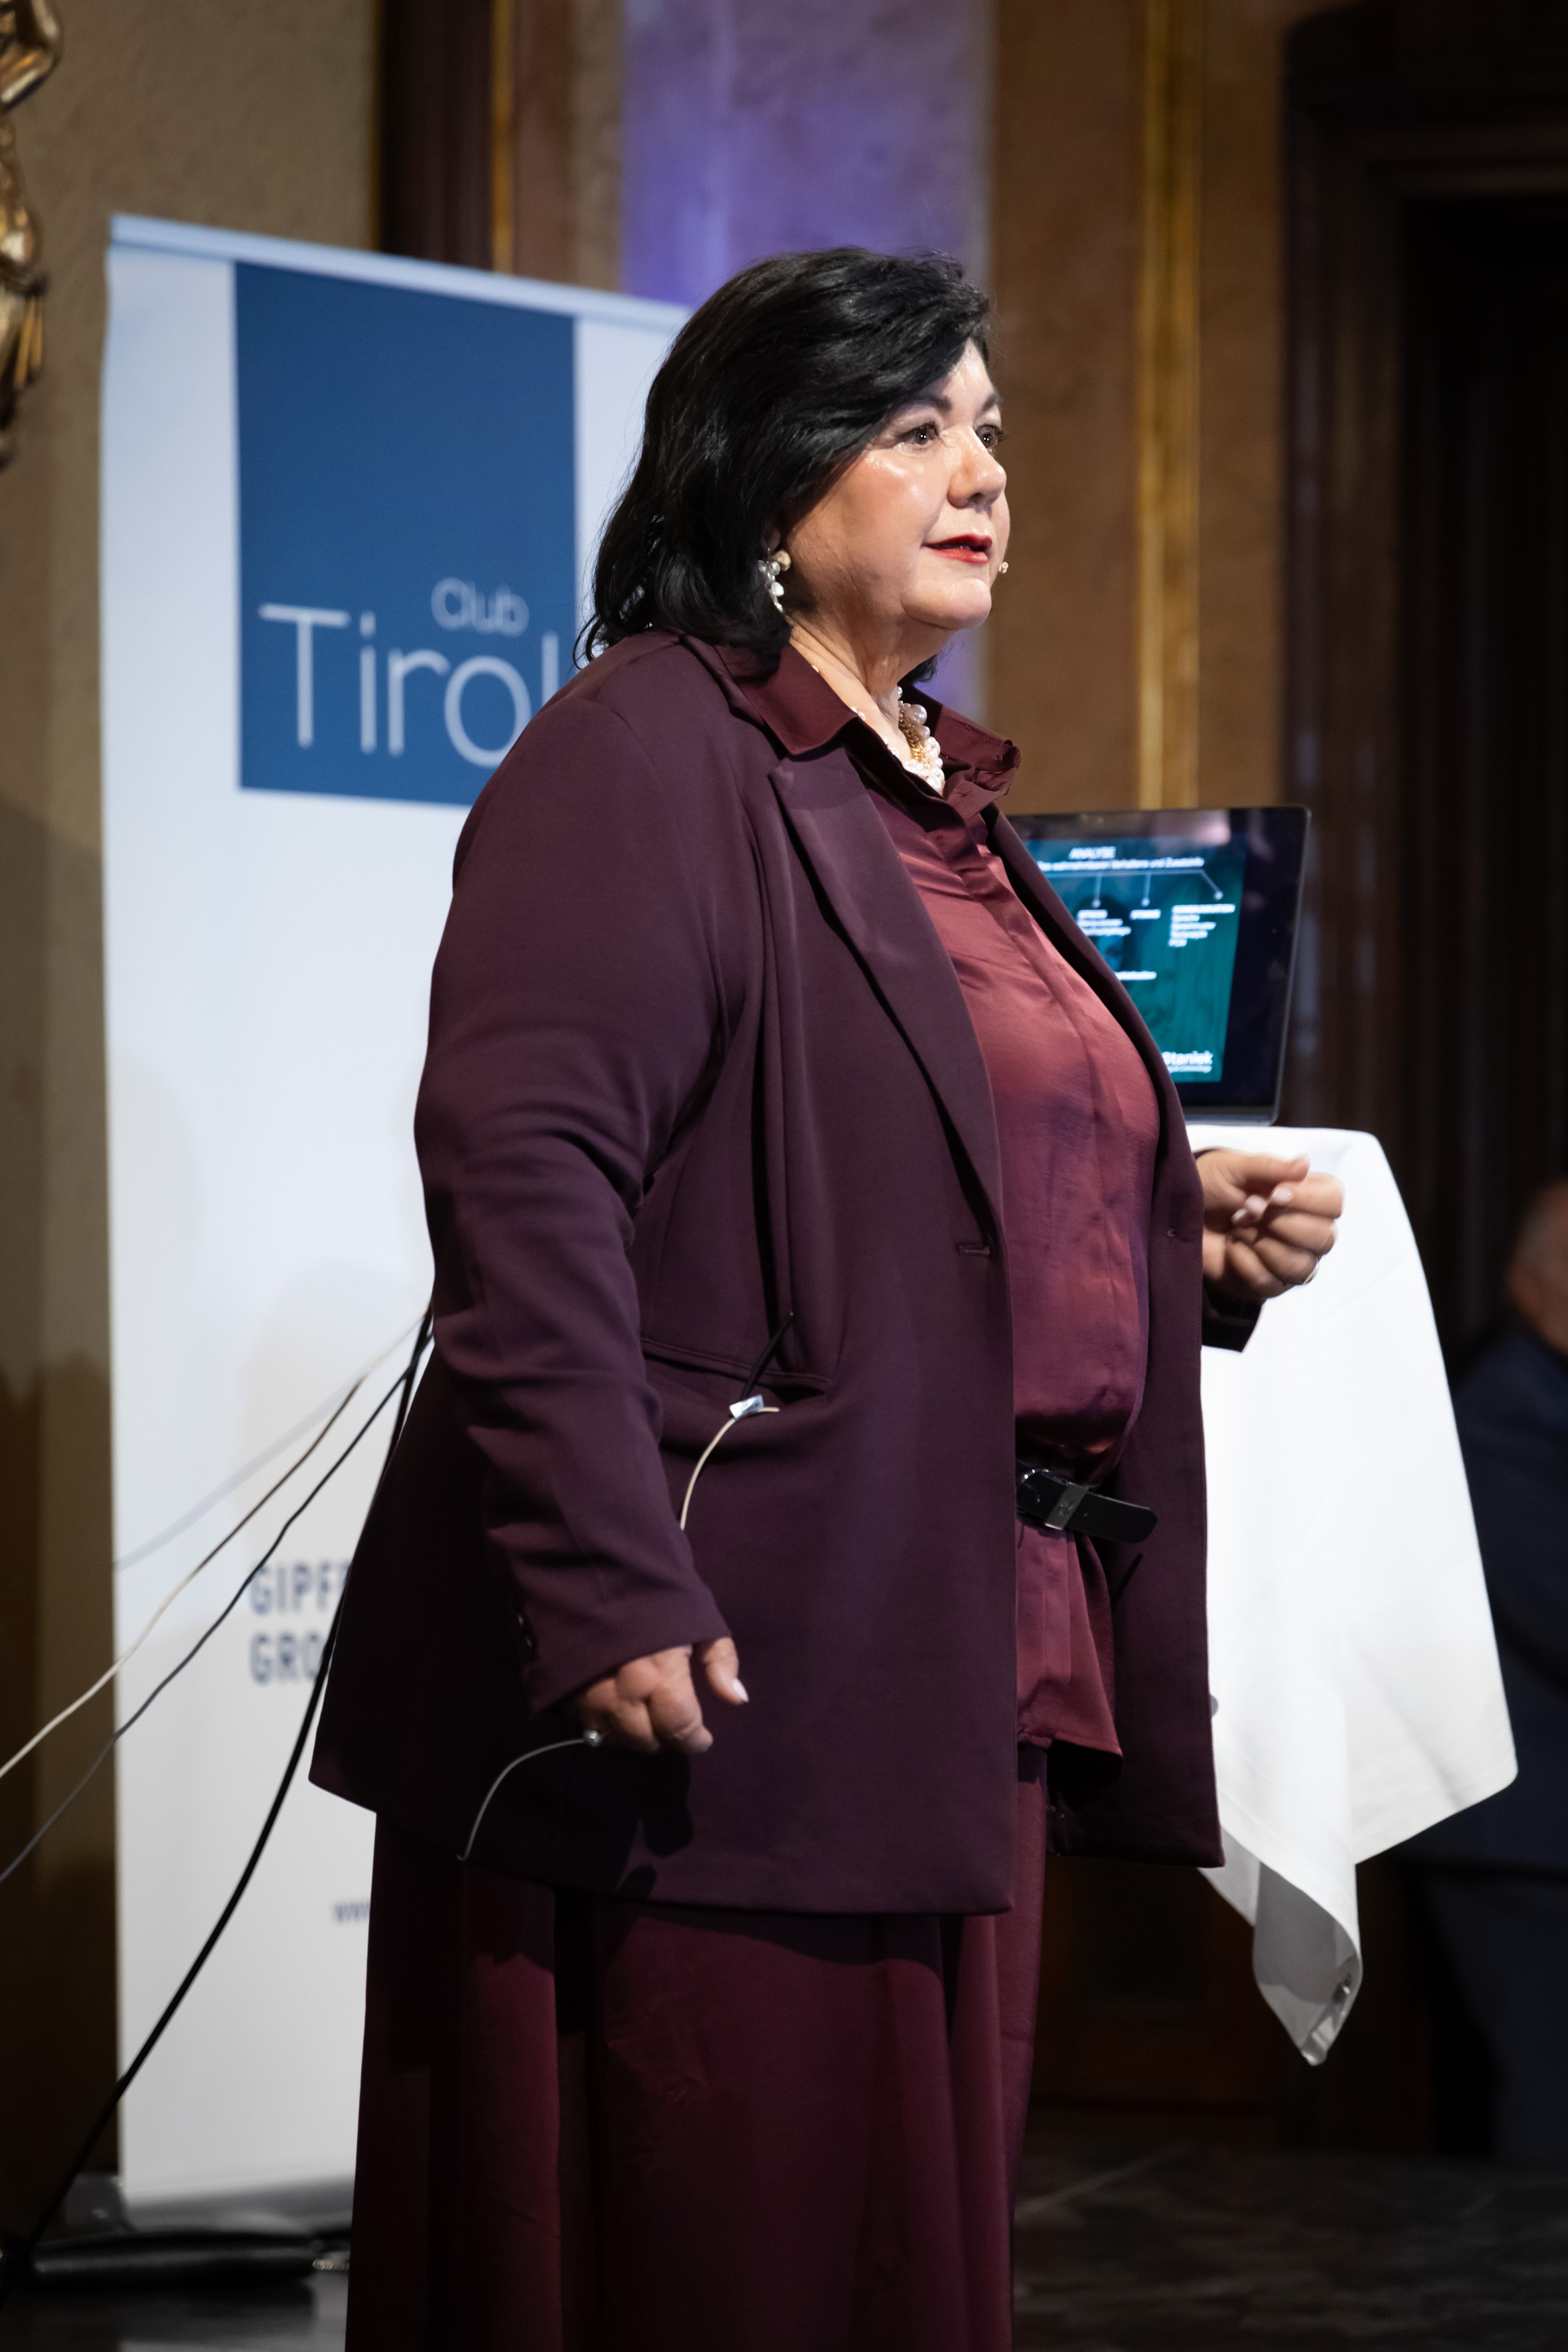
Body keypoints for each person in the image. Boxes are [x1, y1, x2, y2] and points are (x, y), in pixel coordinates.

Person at [311, 248, 1342, 2351]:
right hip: (730, 1669)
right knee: (737, 2254)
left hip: (951, 1652)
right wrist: (602, 1579)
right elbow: (528, 1179)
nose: (980, 473)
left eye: (988, 429)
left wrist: (1160, 1230)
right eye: (911, 427)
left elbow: (909, 1175)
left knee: (890, 2259)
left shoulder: (933, 795)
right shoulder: (642, 754)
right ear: (768, 474)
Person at [1406, 1180, 1568, 2161]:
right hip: (1518, 1839)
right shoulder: (1503, 1407)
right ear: (1527, 1282)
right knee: (1544, 2108)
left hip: (1532, 1837)